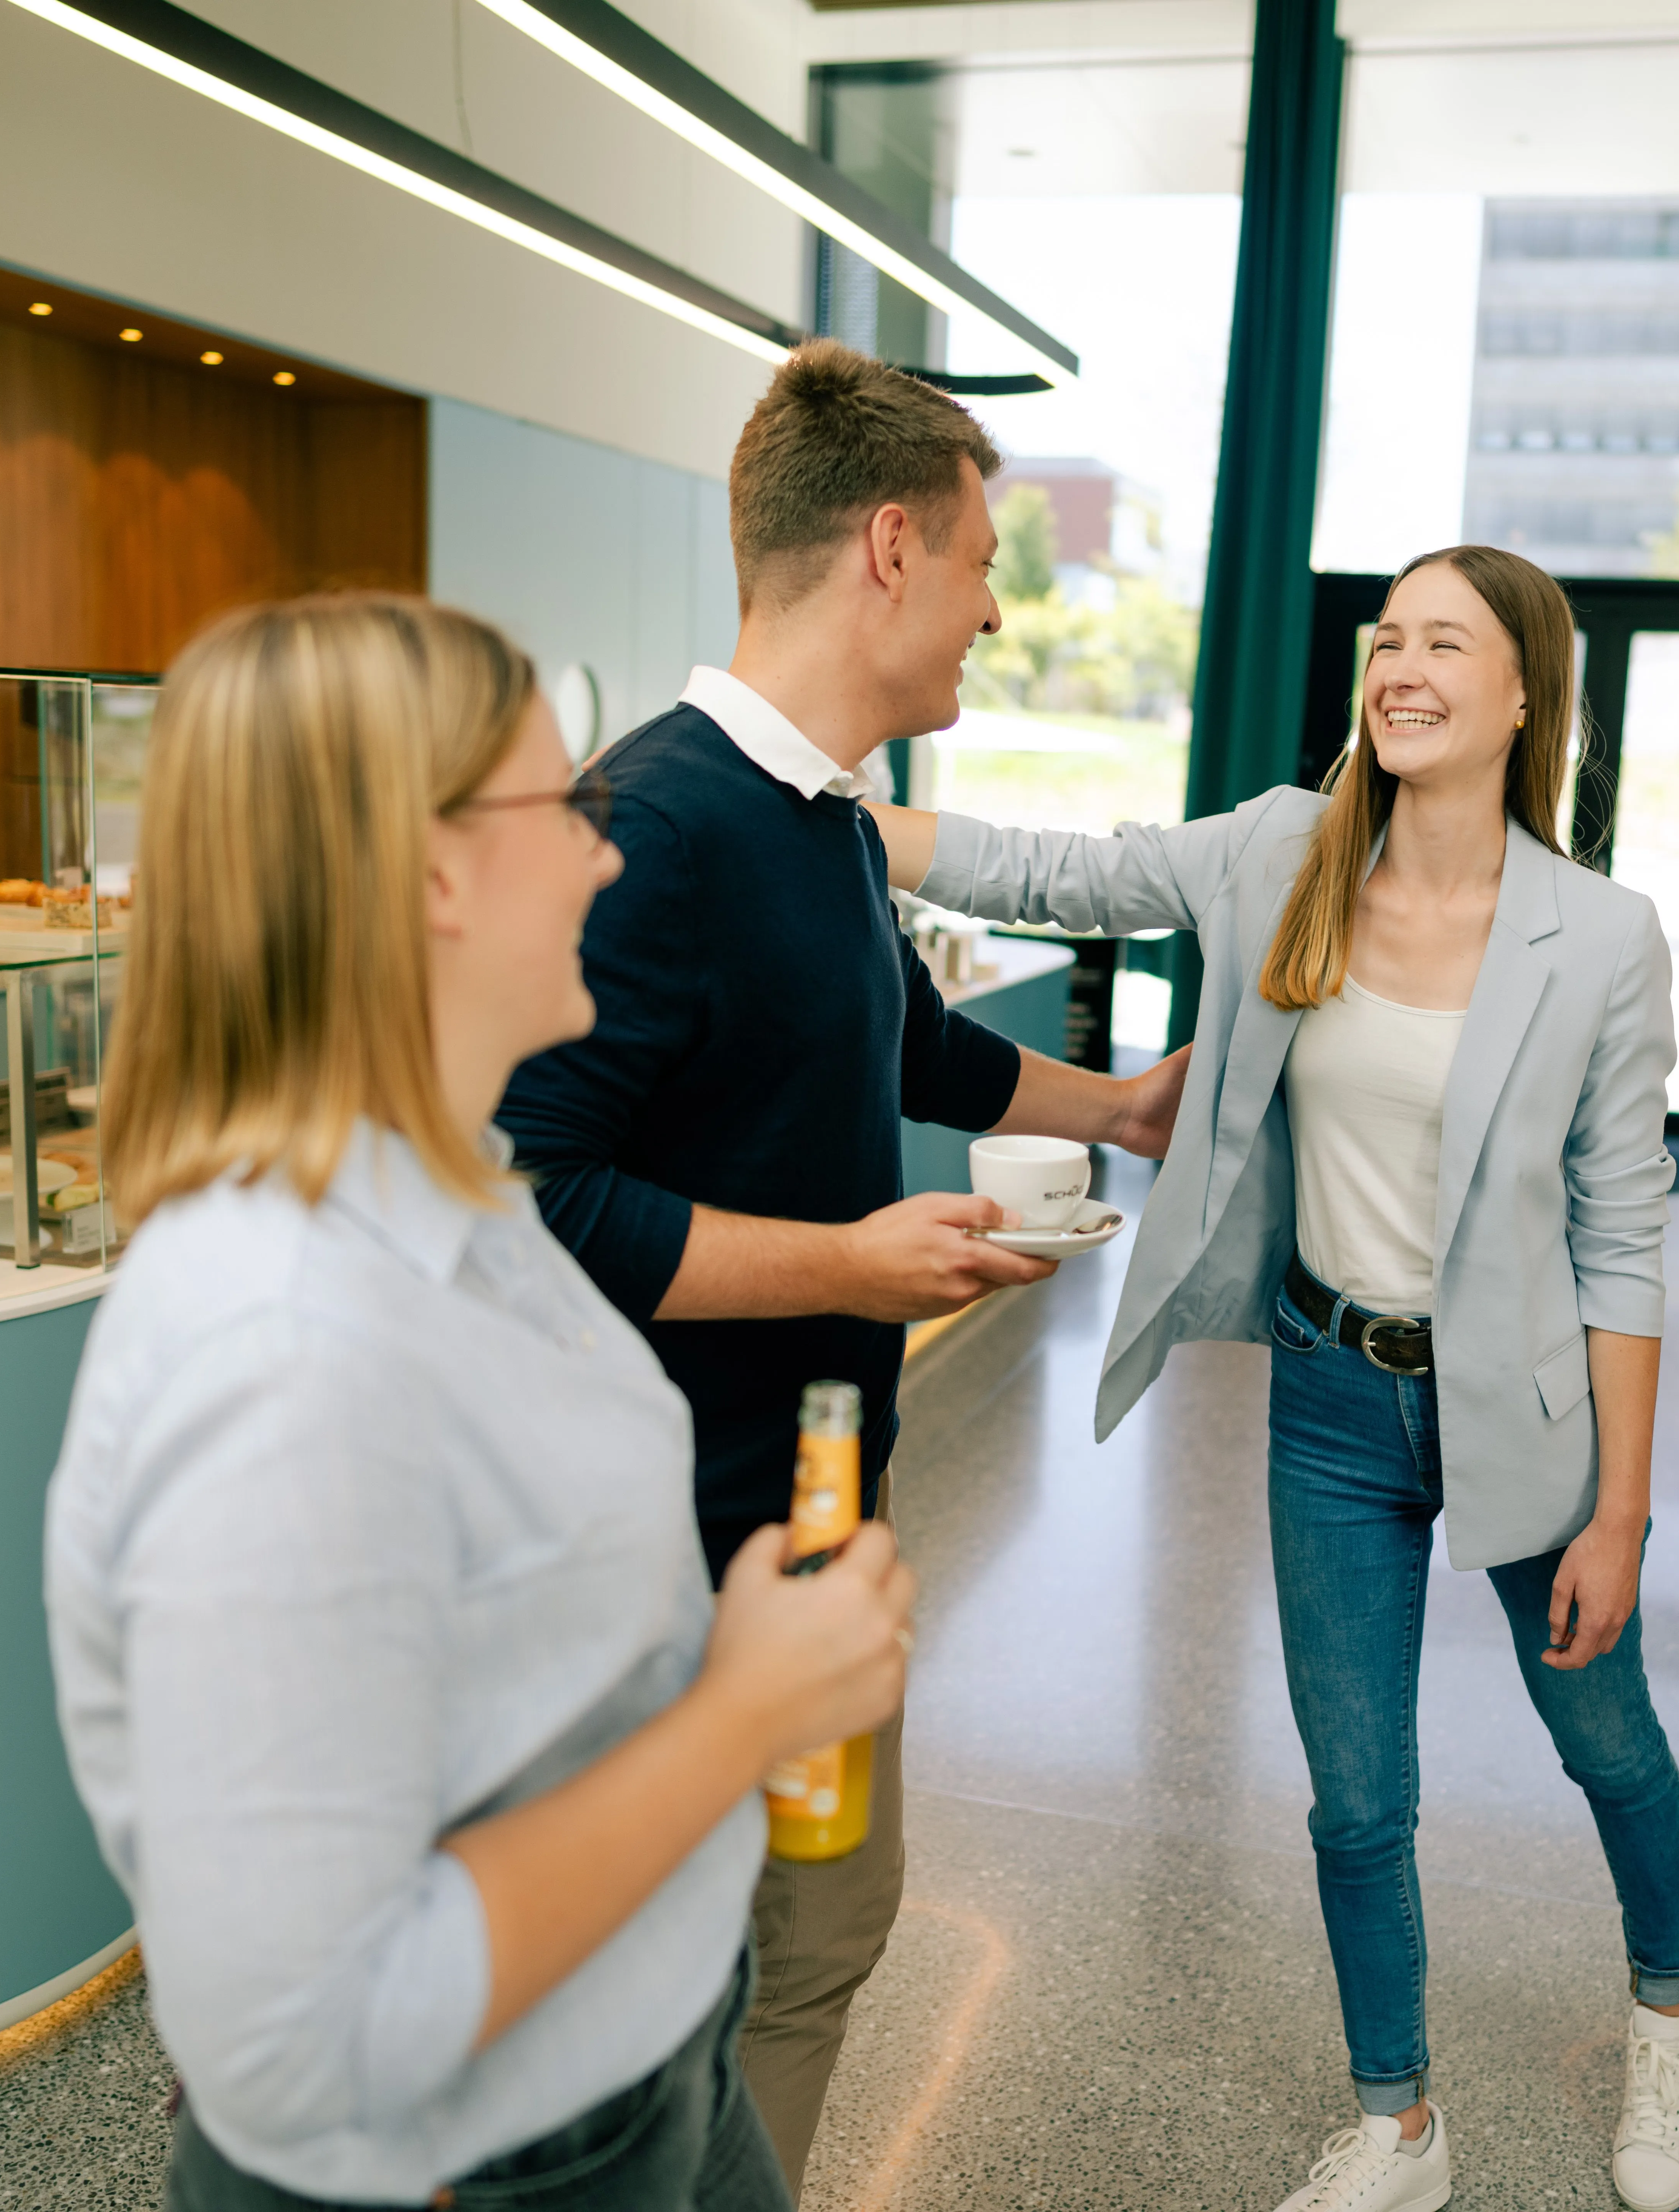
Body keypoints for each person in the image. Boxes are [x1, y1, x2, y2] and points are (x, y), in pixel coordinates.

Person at [46, 593, 919, 2212]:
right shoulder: (287, 1355)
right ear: (435, 873)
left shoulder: (455, 1205)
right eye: (569, 806)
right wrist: (744, 1709)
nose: (608, 851)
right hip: (487, 2163)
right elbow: (307, 2039)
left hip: (647, 2059)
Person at [873, 544, 1679, 2212]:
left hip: (1522, 1409)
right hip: (1334, 1398)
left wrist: (1622, 1510)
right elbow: (1064, 871)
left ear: (1527, 691)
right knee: (1354, 1799)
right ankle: (1400, 2126)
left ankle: (1676, 2012)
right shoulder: (1283, 852)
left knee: (1606, 1747)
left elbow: (1626, 1240)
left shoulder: (1602, 937)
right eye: (1385, 637)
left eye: (1442, 642)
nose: (1399, 665)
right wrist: (821, 800)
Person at [493, 340, 1191, 2190]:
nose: (987, 611)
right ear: (890, 546)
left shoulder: (818, 824)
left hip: (812, 1514)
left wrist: (1121, 1110)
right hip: (666, 1563)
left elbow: (898, 1045)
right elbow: (525, 1202)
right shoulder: (653, 826)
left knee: (820, 1934)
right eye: (975, 562)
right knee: (692, 1989)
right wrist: (848, 1264)